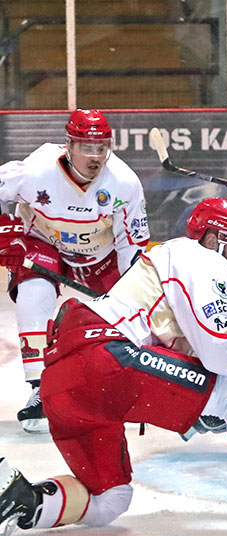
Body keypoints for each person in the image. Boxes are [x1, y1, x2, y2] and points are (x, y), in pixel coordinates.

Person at [0, 198, 227, 536]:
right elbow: (218, 339)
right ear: (215, 237)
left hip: (63, 387)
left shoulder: (191, 263)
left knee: (109, 499)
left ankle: (24, 500)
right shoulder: (200, 258)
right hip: (106, 360)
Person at [0, 109, 150, 433]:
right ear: (69, 145)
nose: (95, 157)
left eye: (102, 148)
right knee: (33, 292)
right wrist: (6, 231)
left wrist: (130, 295)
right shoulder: (36, 171)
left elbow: (130, 245)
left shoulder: (124, 183)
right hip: (42, 241)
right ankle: (40, 388)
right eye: (86, 147)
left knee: (122, 319)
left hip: (100, 255)